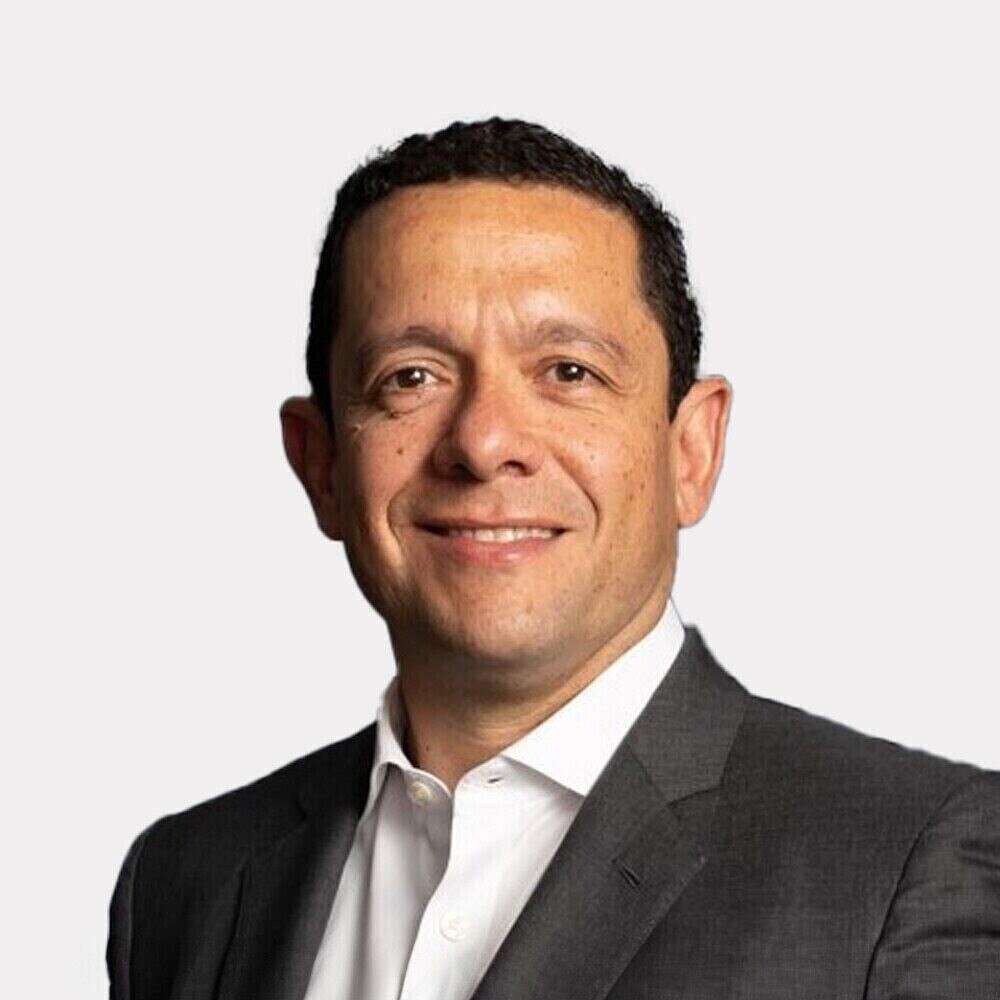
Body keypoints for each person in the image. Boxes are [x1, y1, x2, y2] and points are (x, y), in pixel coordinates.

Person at [107, 118, 1000, 999]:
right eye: (411, 376)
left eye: (569, 371)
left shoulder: (905, 864)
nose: (485, 441)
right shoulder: (185, 886)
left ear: (691, 451)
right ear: (322, 465)